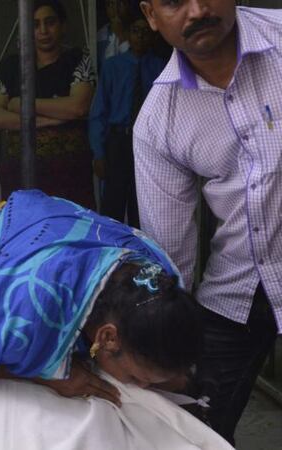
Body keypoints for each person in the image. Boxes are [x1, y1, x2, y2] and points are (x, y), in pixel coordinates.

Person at [135, 1, 282, 444]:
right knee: (190, 430)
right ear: (151, 15)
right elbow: (169, 258)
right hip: (238, 287)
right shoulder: (160, 120)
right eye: (174, 2)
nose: (197, 10)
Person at [0, 190, 202, 405]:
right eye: (138, 378)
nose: (139, 386)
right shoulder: (22, 304)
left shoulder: (161, 276)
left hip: (49, 233)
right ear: (108, 338)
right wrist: (42, 377)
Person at [0, 0, 96, 208]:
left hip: (69, 176)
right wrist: (50, 119)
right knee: (26, 234)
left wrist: (21, 104)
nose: (43, 31)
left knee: (70, 234)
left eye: (50, 22)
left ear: (63, 26)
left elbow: (78, 107)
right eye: (35, 24)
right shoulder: (11, 66)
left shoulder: (77, 60)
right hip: (20, 175)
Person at [88, 16, 166, 228]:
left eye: (145, 32)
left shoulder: (159, 67)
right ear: (128, 34)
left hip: (147, 143)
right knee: (112, 206)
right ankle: (112, 255)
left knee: (141, 207)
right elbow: (99, 111)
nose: (140, 36)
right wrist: (99, 153)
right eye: (135, 30)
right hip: (118, 141)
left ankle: (139, 258)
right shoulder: (113, 67)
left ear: (152, 36)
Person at [97, 0, 132, 75]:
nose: (116, 9)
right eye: (110, 4)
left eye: (120, 3)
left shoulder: (136, 31)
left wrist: (121, 36)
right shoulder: (99, 36)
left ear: (128, 5)